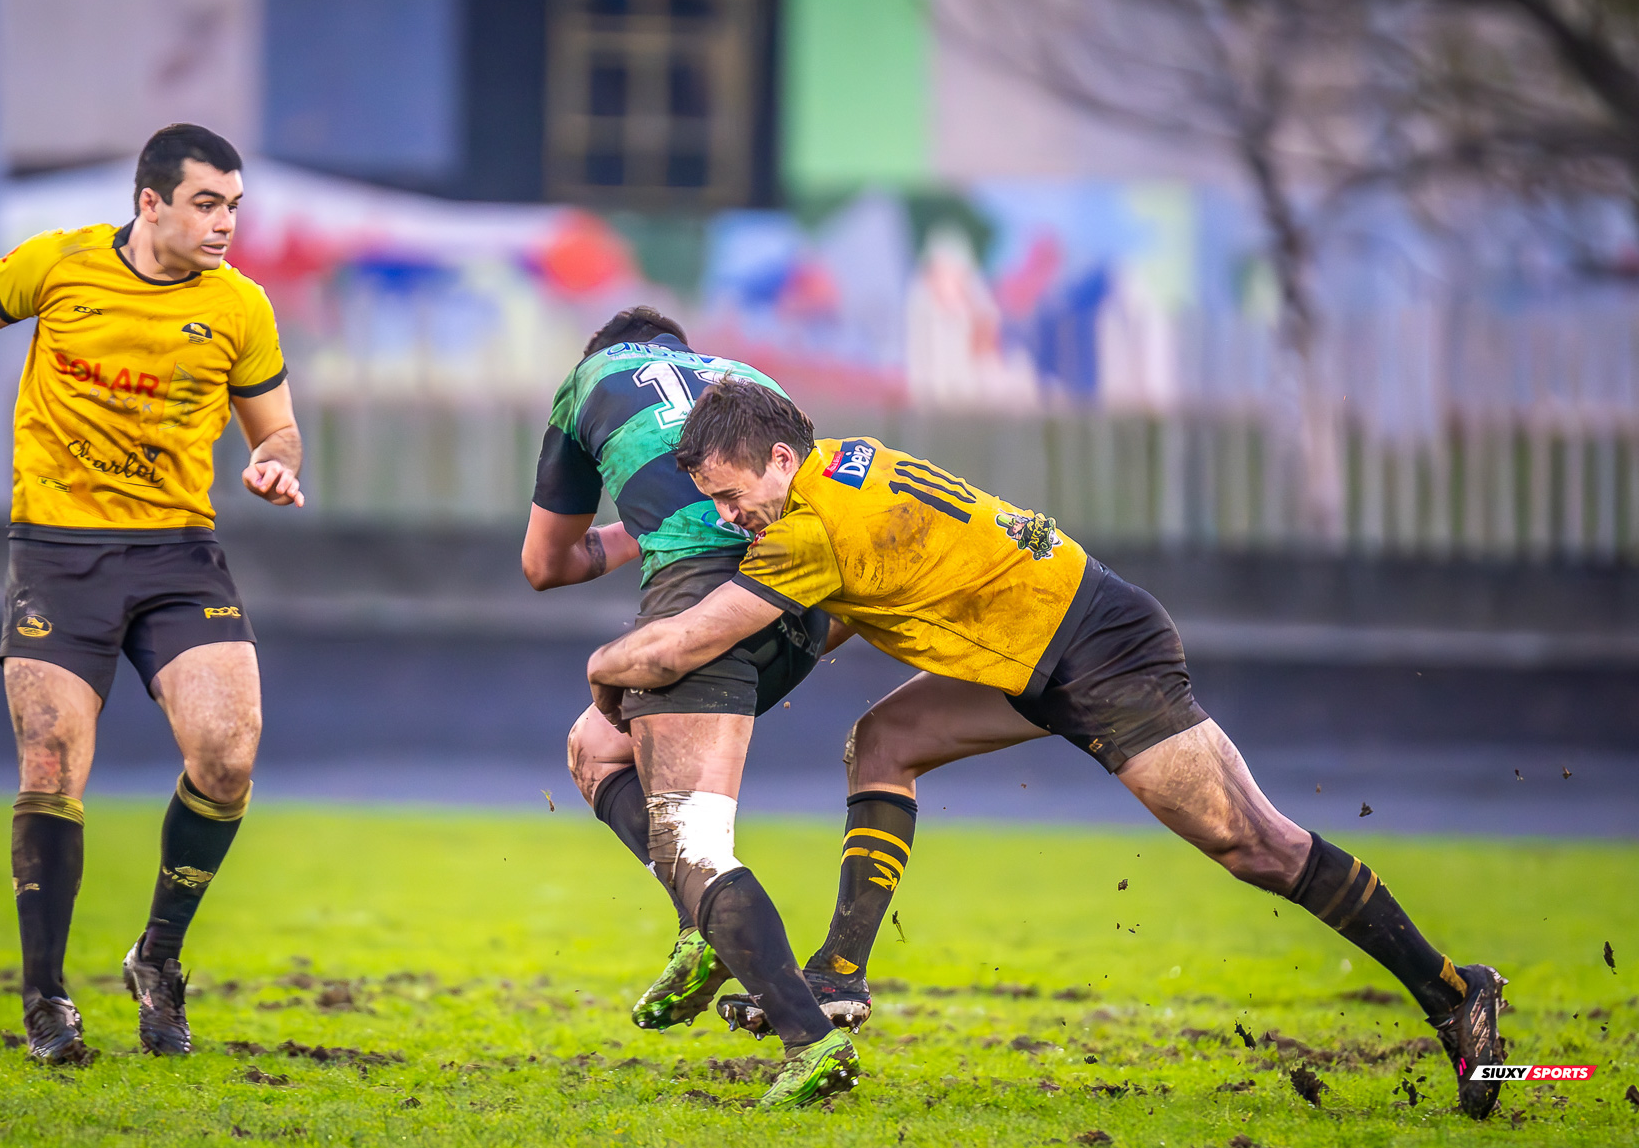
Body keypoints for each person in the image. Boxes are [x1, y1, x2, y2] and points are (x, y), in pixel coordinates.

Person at [585, 378, 1509, 1120]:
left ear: (779, 457)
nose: (727, 514)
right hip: (1034, 647)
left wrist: (602, 669)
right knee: (886, 740)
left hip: (1099, 650)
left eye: (730, 495)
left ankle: (1455, 991)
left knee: (1254, 845)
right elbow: (864, 603)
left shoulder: (808, 530)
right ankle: (838, 974)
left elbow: (678, 646)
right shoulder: (843, 463)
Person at [0, 124, 304, 1064]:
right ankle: (45, 1003)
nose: (225, 223)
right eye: (206, 203)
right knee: (49, 765)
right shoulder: (61, 265)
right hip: (57, 554)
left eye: (234, 206)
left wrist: (274, 464)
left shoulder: (240, 306)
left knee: (229, 756)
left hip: (178, 556)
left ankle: (158, 956)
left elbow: (278, 430)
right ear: (148, 202)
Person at [523, 307, 860, 1107]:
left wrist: (639, 528)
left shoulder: (588, 383)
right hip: (801, 598)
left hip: (700, 601)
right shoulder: (748, 387)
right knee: (595, 747)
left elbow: (547, 564)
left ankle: (810, 1042)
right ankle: (699, 925)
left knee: (695, 848)